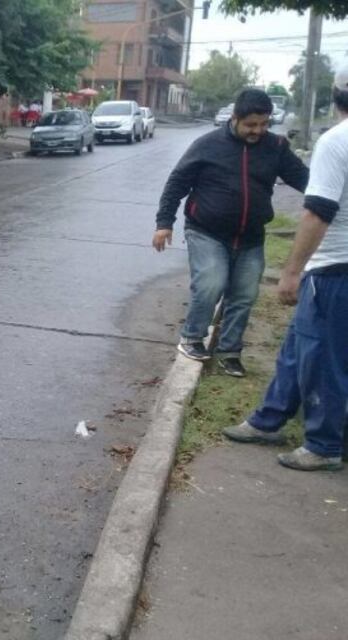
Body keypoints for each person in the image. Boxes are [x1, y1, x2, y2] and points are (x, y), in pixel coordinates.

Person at [223, 62, 348, 471]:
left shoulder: (336, 141)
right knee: (297, 347)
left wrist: (293, 270)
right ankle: (269, 419)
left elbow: (318, 211)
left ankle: (324, 445)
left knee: (322, 357)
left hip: (333, 268)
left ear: (335, 95)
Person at [153, 89, 310, 377]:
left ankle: (230, 352)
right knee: (212, 282)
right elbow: (177, 183)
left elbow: (304, 180)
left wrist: (328, 199)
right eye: (251, 125)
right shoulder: (208, 145)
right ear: (235, 118)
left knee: (244, 294)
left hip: (251, 236)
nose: (258, 131)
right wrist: (164, 223)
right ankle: (192, 337)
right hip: (206, 231)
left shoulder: (275, 147)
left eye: (264, 124)